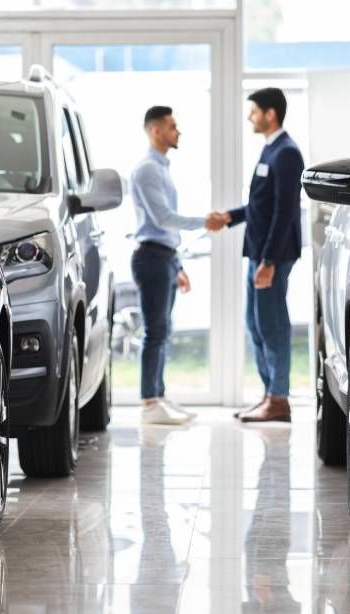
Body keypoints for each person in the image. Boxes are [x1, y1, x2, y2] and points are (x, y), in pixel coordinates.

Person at [208, 88, 305, 423]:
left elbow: (284, 211)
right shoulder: (271, 150)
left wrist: (269, 261)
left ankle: (278, 400)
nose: (250, 117)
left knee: (273, 325)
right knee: (255, 323)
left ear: (270, 114)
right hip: (259, 253)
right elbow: (260, 205)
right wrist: (230, 217)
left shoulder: (287, 153)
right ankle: (269, 395)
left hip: (271, 256)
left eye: (253, 111)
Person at [130, 105, 221, 425]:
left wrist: (178, 266)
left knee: (163, 331)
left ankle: (159, 395)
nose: (177, 131)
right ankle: (150, 402)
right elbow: (163, 218)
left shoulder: (161, 168)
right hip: (151, 258)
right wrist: (205, 222)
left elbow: (164, 229)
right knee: (155, 332)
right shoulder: (147, 170)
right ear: (156, 131)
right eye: (172, 126)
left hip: (164, 257)